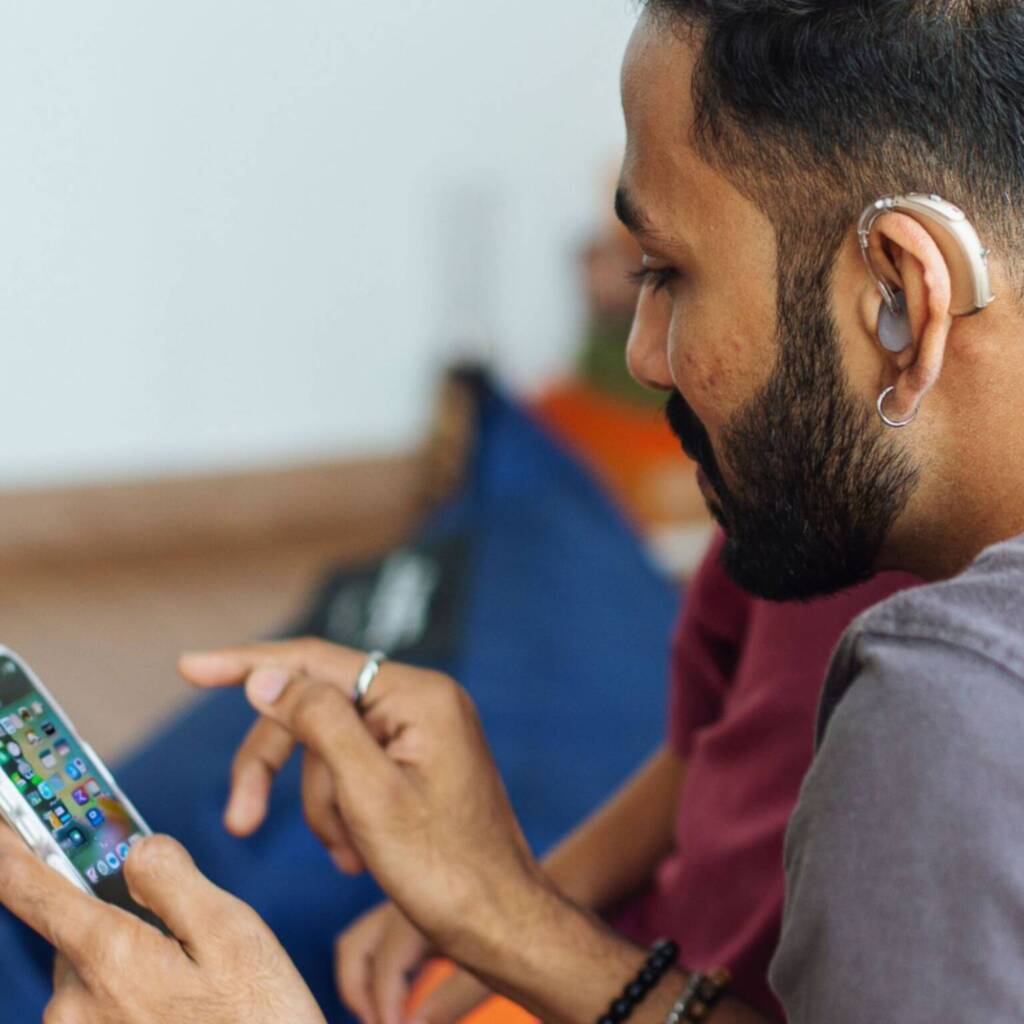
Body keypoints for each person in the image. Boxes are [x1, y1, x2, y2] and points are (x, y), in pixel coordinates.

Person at [4, 1, 1024, 1021]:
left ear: (902, 290)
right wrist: (503, 912)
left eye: (668, 271)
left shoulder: (944, 714)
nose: (640, 353)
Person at [336, 532, 917, 1024]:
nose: (661, 390)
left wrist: (509, 924)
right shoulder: (783, 472)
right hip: (636, 952)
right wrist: (521, 893)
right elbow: (700, 749)